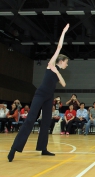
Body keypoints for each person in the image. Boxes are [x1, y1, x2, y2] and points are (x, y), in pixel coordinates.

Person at [7, 23, 69, 162]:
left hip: (49, 97)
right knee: (30, 120)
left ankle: (43, 148)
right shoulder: (51, 64)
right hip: (40, 94)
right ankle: (14, 148)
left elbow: (63, 83)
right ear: (61, 61)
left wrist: (56, 73)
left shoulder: (56, 70)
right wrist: (63, 32)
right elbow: (59, 47)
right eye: (66, 62)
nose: (67, 65)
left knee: (46, 122)